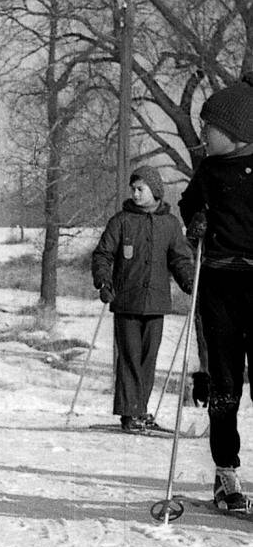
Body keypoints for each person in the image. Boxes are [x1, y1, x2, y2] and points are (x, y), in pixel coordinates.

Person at [179, 75, 253, 510]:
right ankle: (225, 473)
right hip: (220, 286)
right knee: (224, 386)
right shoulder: (207, 171)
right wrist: (196, 220)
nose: (203, 132)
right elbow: (189, 204)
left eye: (211, 126)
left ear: (239, 133)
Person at [91, 165, 194, 434]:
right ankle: (129, 413)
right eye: (133, 189)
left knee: (148, 359)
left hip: (156, 302)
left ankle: (141, 410)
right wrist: (104, 281)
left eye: (141, 189)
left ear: (155, 191)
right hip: (126, 301)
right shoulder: (122, 221)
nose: (135, 194)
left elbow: (180, 259)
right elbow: (103, 254)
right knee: (130, 358)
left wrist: (189, 281)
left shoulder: (170, 224)